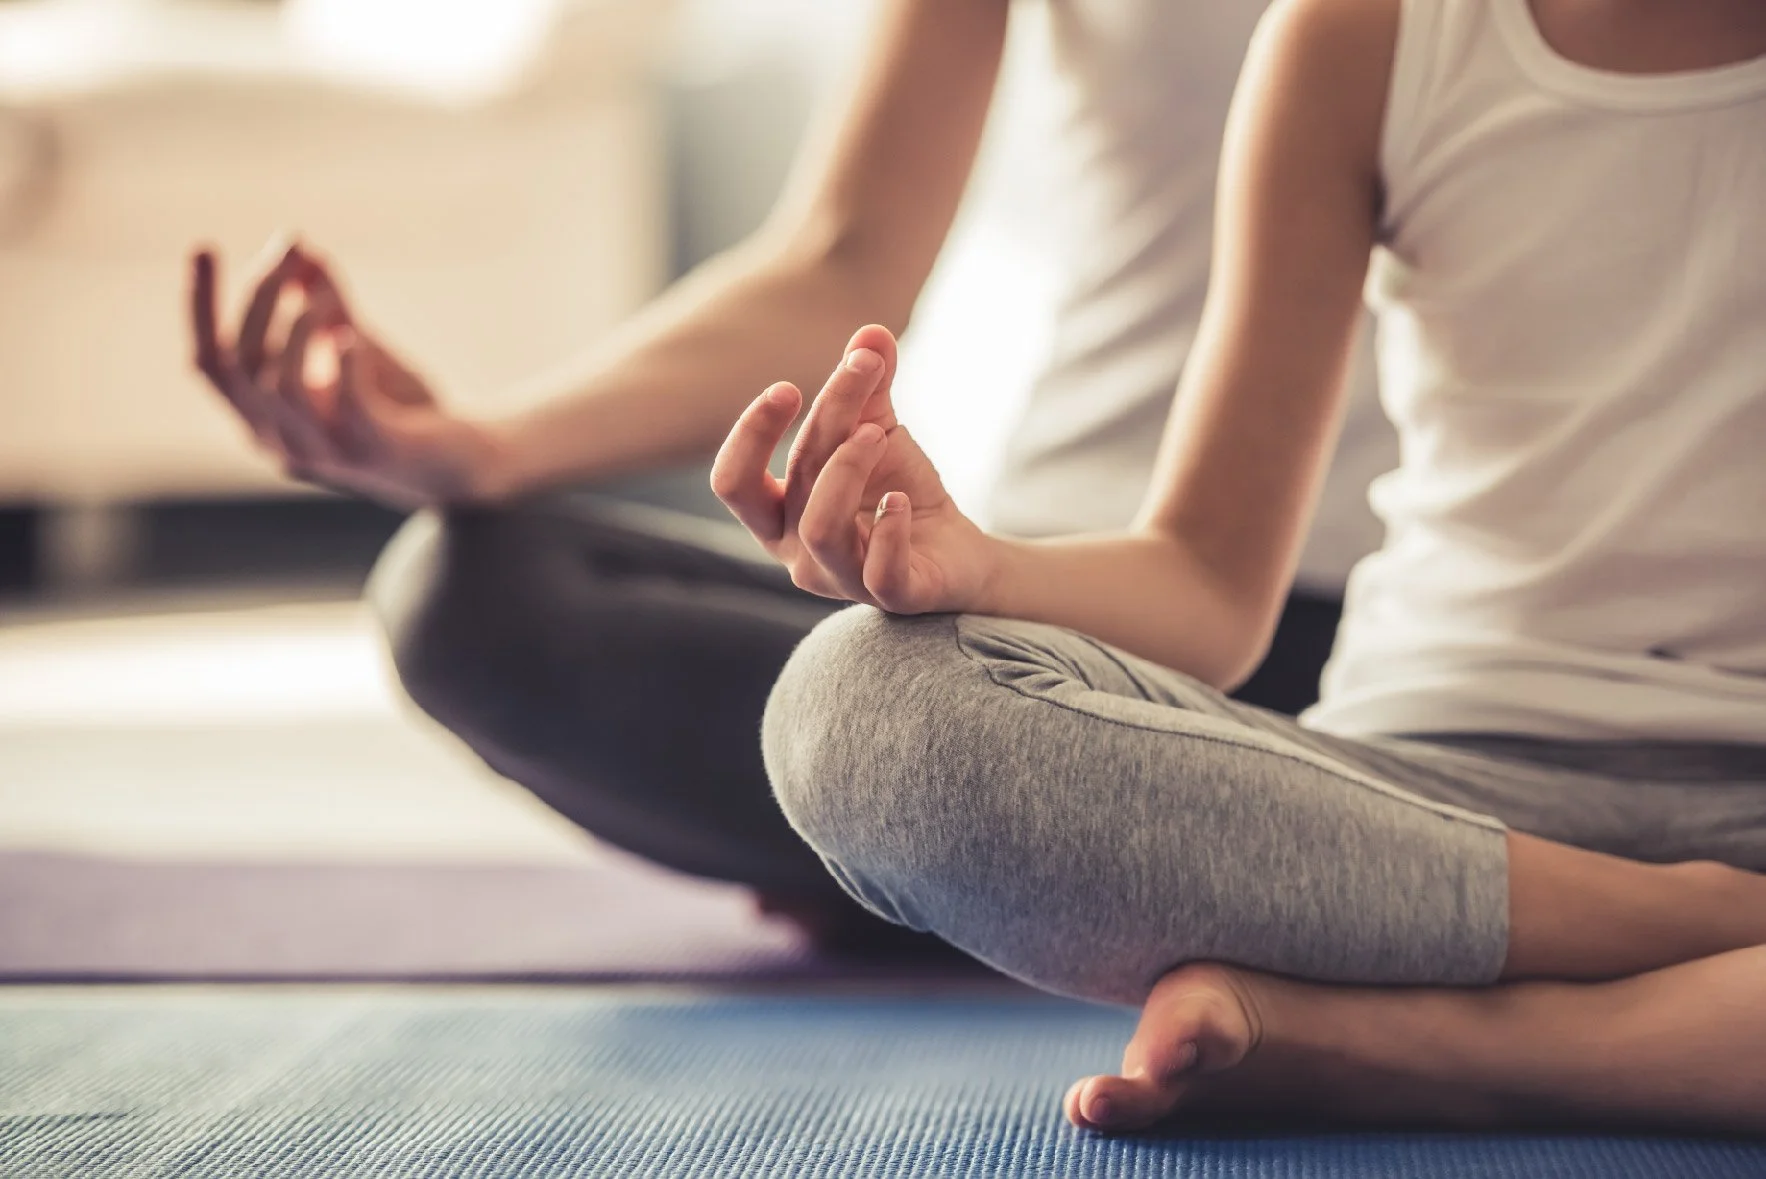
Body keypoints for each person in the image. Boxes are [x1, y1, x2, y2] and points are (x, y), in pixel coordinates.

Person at [712, 0, 1766, 1136]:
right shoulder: (1361, 39)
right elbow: (1206, 589)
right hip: (1417, 803)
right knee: (863, 708)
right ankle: (1694, 940)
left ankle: (1427, 1045)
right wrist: (974, 564)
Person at [187, 1, 1395, 949]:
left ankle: (972, 883)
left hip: (1365, 645)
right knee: (470, 592)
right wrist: (480, 446)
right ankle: (1004, 877)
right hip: (1028, 610)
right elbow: (843, 256)